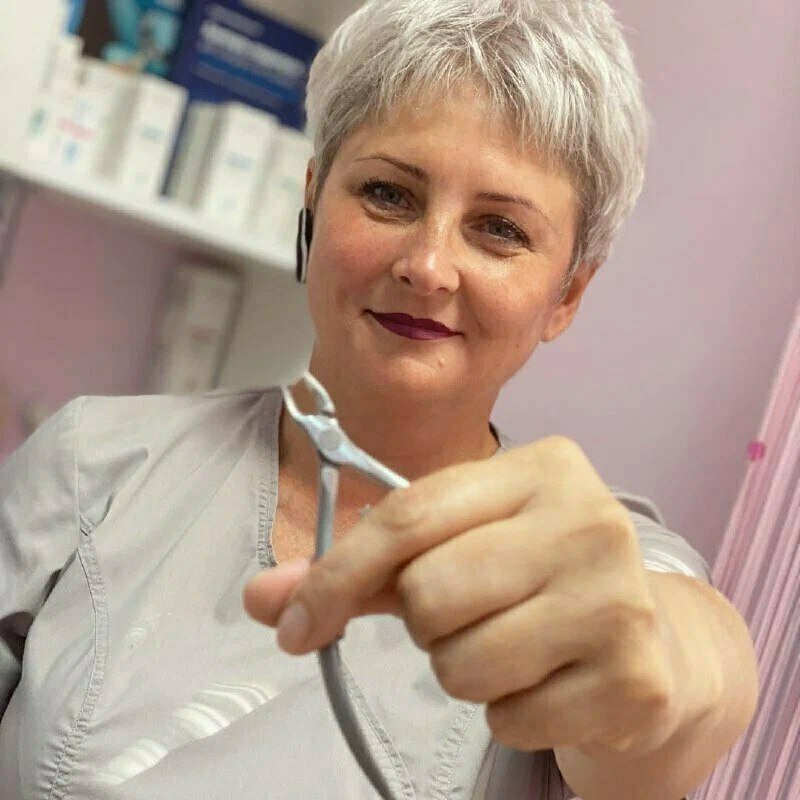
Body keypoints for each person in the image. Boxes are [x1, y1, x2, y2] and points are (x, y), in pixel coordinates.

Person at [0, 1, 759, 798]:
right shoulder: (94, 464)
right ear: (313, 200)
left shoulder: (591, 561)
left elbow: (686, 677)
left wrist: (668, 654)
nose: (427, 265)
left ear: (567, 294)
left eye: (500, 229)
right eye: (389, 194)